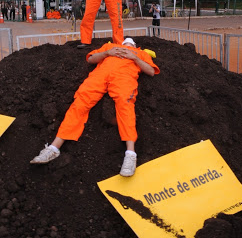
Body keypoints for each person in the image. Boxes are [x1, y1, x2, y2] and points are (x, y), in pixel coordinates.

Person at [30, 37, 160, 177]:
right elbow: (91, 59)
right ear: (120, 43)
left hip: (124, 78)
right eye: (125, 42)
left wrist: (134, 57)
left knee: (125, 104)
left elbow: (151, 71)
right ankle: (54, 148)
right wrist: (107, 53)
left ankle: (130, 154)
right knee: (80, 102)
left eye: (130, 43)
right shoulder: (108, 47)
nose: (127, 43)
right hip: (99, 76)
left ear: (135, 45)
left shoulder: (140, 53)